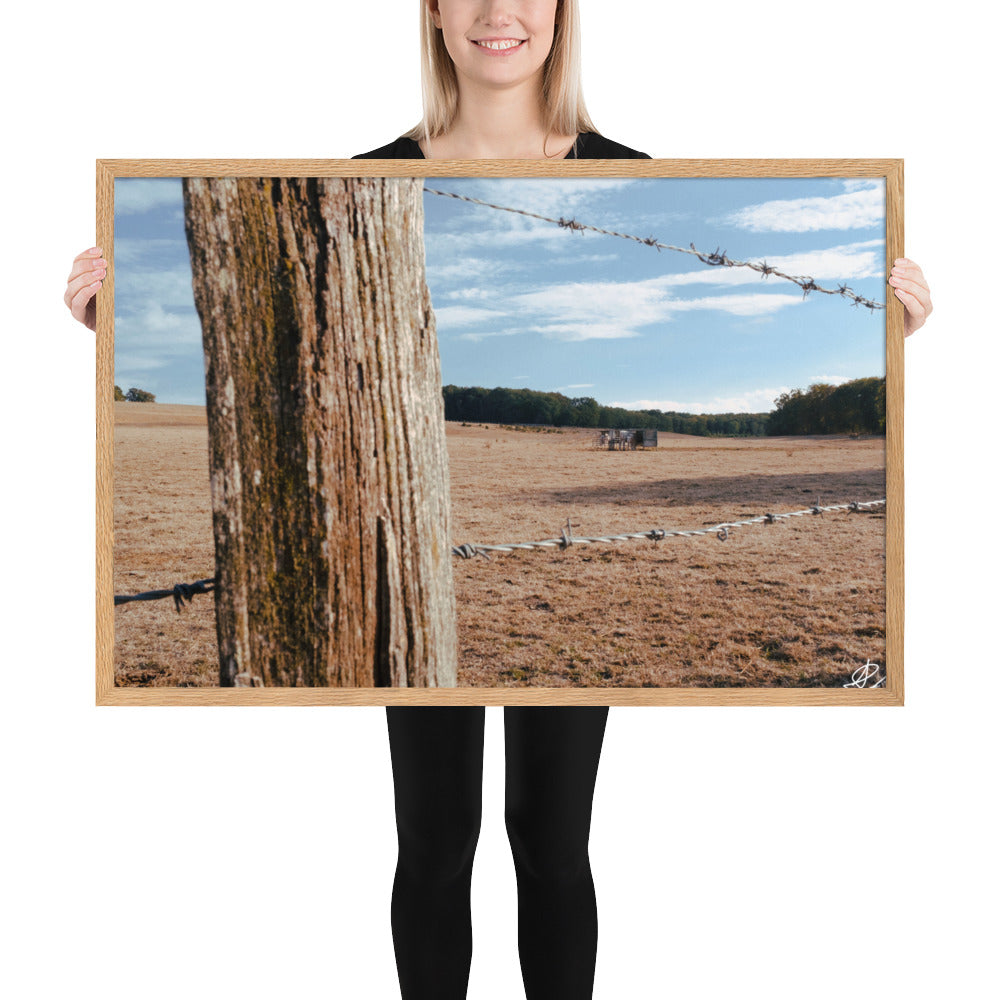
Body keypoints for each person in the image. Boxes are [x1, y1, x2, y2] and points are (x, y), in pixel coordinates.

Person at [64, 3, 933, 998]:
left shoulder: (640, 175)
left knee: (552, 841)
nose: (495, 12)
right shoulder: (346, 184)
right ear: (430, 14)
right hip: (386, 556)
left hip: (502, 569)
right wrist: (115, 324)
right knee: (434, 843)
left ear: (564, 14)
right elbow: (274, 347)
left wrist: (887, 341)